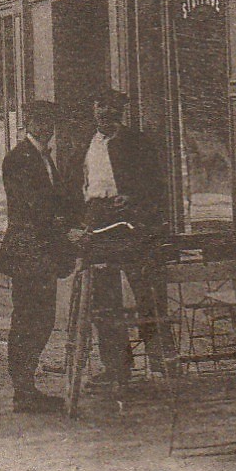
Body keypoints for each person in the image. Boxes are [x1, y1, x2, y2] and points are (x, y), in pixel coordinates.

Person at [80, 89, 169, 386]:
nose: (105, 112)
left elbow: (157, 186)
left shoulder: (137, 143)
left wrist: (132, 199)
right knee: (104, 297)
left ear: (121, 111)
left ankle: (162, 358)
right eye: (99, 105)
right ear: (93, 109)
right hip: (98, 221)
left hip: (131, 223)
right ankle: (115, 365)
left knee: (146, 290)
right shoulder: (85, 145)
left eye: (111, 107)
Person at [0, 100, 76, 414]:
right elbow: (34, 208)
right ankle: (23, 388)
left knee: (41, 319)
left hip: (42, 250)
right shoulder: (18, 159)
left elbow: (56, 203)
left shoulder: (45, 159)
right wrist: (65, 231)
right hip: (29, 249)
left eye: (49, 121)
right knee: (29, 319)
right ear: (27, 122)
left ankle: (26, 386)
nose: (45, 127)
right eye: (38, 121)